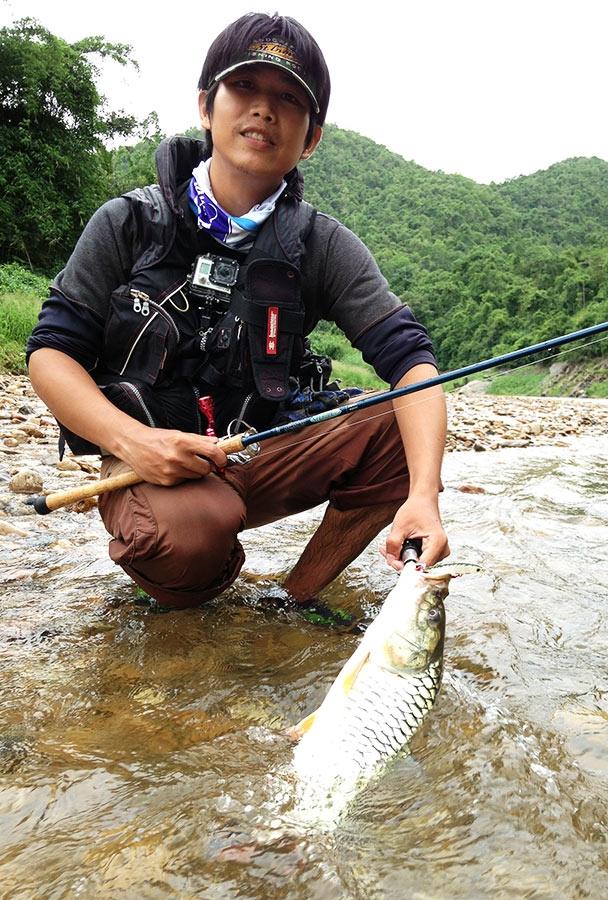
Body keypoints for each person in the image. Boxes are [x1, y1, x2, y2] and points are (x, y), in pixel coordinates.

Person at [27, 13, 450, 613]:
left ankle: (290, 602)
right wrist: (135, 441)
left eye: (287, 99)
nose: (263, 110)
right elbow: (50, 353)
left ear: (312, 138)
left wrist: (425, 498)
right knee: (188, 538)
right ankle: (204, 610)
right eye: (244, 88)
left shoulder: (323, 245)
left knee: (404, 436)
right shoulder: (128, 222)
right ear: (206, 106)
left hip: (262, 448)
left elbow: (412, 363)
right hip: (148, 460)